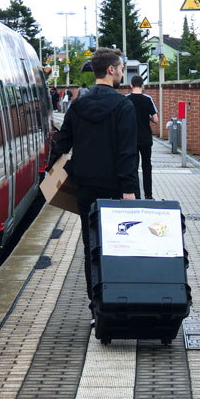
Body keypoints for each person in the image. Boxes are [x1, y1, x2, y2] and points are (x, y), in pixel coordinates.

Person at [48, 47, 138, 326]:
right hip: (116, 190)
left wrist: (53, 176)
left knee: (92, 248)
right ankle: (118, 303)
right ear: (111, 70)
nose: (123, 72)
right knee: (119, 246)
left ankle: (96, 309)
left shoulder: (78, 105)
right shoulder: (124, 106)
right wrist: (129, 191)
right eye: (121, 67)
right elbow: (127, 153)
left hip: (86, 190)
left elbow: (62, 144)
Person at [126, 75, 158, 199]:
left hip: (131, 139)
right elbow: (156, 120)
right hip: (145, 138)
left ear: (131, 85)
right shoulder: (147, 99)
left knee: (133, 167)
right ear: (143, 85)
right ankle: (148, 195)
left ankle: (136, 194)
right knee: (146, 167)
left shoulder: (126, 99)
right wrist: (147, 116)